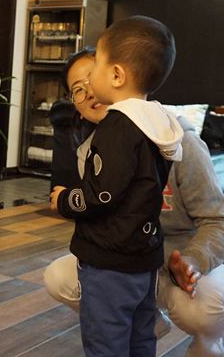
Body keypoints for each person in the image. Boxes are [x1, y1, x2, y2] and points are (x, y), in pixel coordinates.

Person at [44, 48, 224, 356]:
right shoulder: (88, 153)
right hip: (121, 264)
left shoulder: (180, 142)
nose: (89, 91)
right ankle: (143, 324)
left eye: (93, 77)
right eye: (77, 89)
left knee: (211, 305)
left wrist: (193, 259)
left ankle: (208, 344)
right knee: (60, 277)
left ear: (121, 77)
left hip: (174, 266)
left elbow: (217, 219)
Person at [49, 16, 184, 356]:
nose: (89, 80)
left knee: (105, 341)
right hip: (144, 258)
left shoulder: (117, 127)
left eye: (96, 65)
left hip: (110, 263)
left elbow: (102, 194)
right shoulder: (157, 122)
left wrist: (65, 200)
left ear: (117, 75)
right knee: (141, 338)